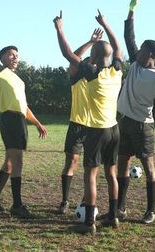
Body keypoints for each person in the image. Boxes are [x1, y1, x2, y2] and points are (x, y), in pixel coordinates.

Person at [54, 10, 123, 235]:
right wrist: (105, 23)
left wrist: (60, 29)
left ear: (92, 59)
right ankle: (113, 217)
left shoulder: (92, 75)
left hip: (97, 131)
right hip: (114, 129)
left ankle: (89, 224)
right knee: (111, 174)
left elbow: (67, 53)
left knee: (90, 175)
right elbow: (117, 46)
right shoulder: (116, 72)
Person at [115, 0, 155, 224]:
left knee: (148, 166)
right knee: (122, 163)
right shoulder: (134, 64)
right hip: (124, 123)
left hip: (143, 126)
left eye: (141, 49)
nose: (137, 50)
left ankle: (150, 211)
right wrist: (131, 12)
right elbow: (128, 37)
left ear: (149, 53)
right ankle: (120, 208)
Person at [0, 15, 48, 219]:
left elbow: (24, 107)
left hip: (19, 120)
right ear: (2, 59)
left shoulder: (19, 80)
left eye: (16, 54)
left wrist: (37, 123)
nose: (14, 57)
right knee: (17, 161)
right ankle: (17, 205)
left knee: (10, 163)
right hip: (10, 120)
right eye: (10, 54)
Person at [58, 28, 104, 214]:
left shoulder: (100, 79)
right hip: (77, 124)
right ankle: (64, 201)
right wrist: (91, 42)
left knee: (93, 166)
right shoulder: (76, 79)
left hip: (96, 126)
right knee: (72, 162)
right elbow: (73, 56)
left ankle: (87, 200)